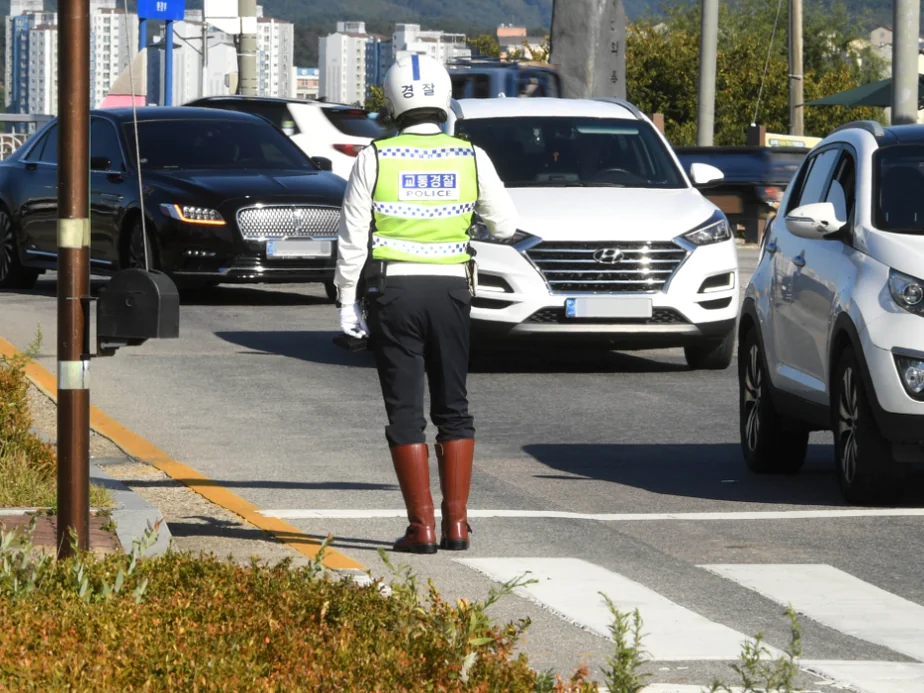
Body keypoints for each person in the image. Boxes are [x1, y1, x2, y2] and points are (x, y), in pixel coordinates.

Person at [334, 53, 518, 554]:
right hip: (452, 289)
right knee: (454, 406)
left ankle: (422, 528)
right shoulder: (471, 156)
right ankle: (458, 524)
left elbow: (351, 241)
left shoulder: (374, 157)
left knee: (405, 411)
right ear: (444, 98)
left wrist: (345, 305)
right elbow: (504, 225)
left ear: (393, 101)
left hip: (394, 291)